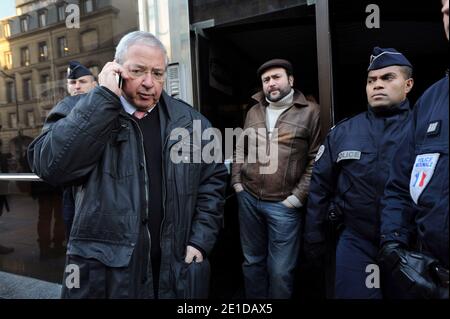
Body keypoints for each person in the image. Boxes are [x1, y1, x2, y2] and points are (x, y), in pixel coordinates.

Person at [28, 31, 227, 299]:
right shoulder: (80, 108)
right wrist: (102, 101)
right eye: (138, 71)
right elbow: (50, 165)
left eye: (157, 73)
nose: (149, 82)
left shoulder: (192, 123)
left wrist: (200, 240)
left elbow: (212, 183)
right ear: (116, 69)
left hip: (175, 271)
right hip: (109, 278)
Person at [304, 47, 415, 299]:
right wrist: (314, 239)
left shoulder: (425, 129)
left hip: (410, 243)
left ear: (407, 84)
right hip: (357, 241)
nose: (377, 85)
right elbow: (320, 188)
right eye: (371, 80)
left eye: (387, 78)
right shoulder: (344, 132)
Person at [231, 59, 321, 298]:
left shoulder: (311, 112)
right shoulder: (253, 111)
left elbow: (316, 158)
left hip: (284, 205)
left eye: (276, 77)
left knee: (280, 271)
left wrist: (297, 197)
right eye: (266, 80)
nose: (271, 83)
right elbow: (241, 148)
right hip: (249, 199)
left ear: (290, 80)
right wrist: (237, 183)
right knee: (252, 263)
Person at [378, 0, 449, 299]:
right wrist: (393, 245)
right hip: (435, 279)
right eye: (445, 8)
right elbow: (398, 184)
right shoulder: (431, 101)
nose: (448, 14)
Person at [63, 62, 98, 241]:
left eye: (82, 81)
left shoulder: (106, 109)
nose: (77, 86)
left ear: (95, 85)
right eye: (72, 82)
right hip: (72, 190)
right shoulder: (61, 113)